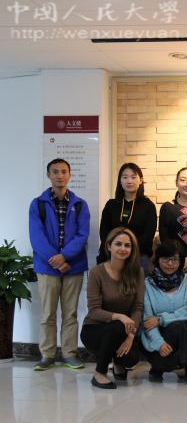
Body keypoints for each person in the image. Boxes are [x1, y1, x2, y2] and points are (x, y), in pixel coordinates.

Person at [30, 158, 91, 371]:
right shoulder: (38, 204)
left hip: (73, 266)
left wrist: (64, 257)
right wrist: (56, 260)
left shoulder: (80, 204)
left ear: (69, 175)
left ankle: (69, 354)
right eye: (55, 172)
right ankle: (47, 355)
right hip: (47, 267)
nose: (60, 175)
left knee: (70, 314)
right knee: (47, 313)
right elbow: (36, 237)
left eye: (64, 171)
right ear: (48, 175)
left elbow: (83, 235)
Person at [80, 228, 145, 389]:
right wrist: (119, 316)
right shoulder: (96, 272)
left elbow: (137, 307)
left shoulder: (137, 272)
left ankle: (118, 362)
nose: (123, 249)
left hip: (124, 330)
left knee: (131, 358)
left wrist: (131, 336)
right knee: (117, 325)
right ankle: (99, 373)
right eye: (118, 244)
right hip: (94, 330)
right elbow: (94, 310)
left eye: (127, 245)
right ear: (109, 246)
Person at [139, 241, 187, 382]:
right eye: (165, 259)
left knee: (180, 326)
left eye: (175, 259)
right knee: (164, 361)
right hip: (160, 336)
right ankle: (158, 366)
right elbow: (147, 321)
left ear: (181, 261)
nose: (170, 263)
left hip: (186, 336)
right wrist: (159, 343)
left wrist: (160, 319)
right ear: (158, 259)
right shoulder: (147, 284)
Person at [97, 162, 157, 271]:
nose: (129, 181)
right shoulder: (111, 204)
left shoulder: (148, 206)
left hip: (138, 257)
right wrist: (116, 250)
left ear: (141, 180)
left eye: (133, 177)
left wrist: (129, 251)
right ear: (120, 180)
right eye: (125, 177)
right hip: (112, 256)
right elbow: (104, 232)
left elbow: (147, 236)